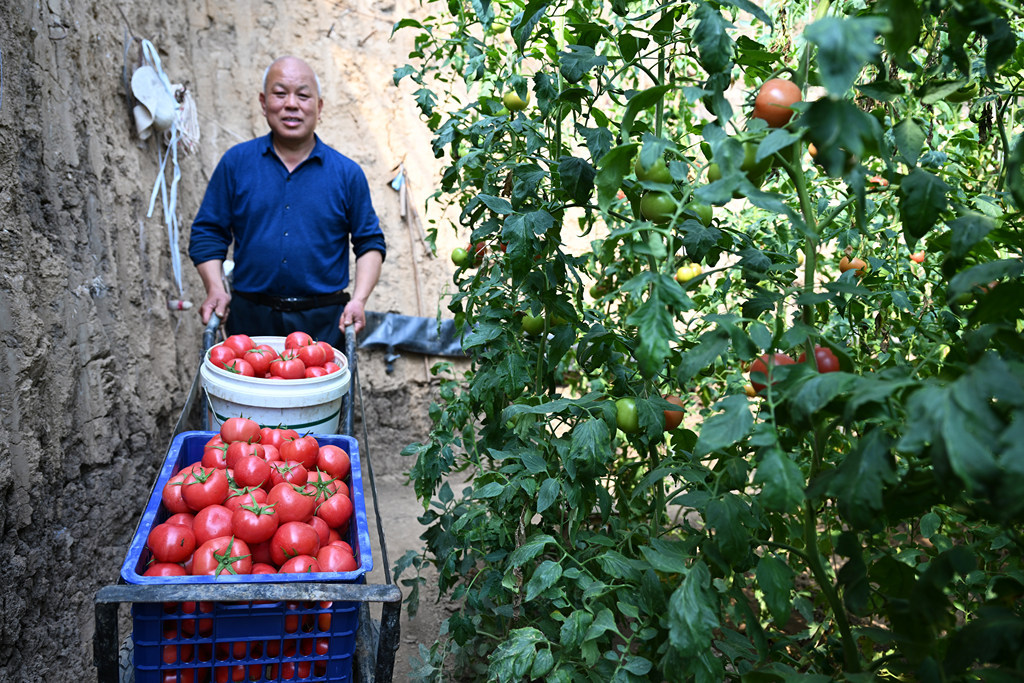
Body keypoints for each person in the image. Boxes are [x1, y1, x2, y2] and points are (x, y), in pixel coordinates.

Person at [188, 56, 386, 349]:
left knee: (322, 397)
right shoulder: (236, 163)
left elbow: (369, 243)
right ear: (263, 102)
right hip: (249, 321)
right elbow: (207, 233)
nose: (291, 104)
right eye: (280, 93)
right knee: (250, 396)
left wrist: (359, 300)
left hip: (324, 325)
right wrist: (215, 288)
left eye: (303, 95)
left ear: (318, 107)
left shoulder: (347, 174)